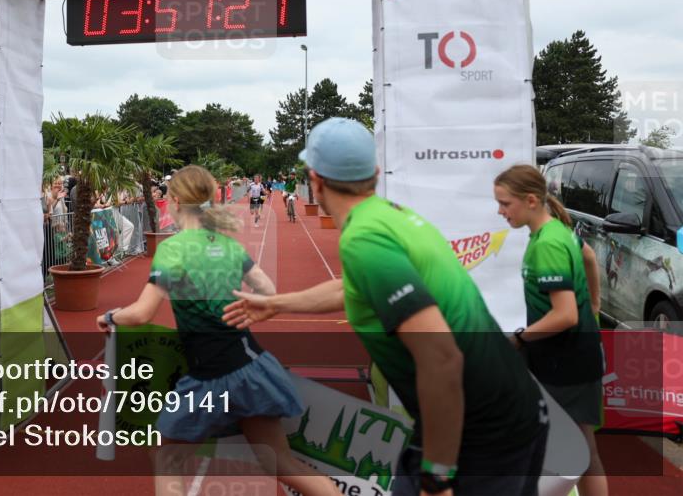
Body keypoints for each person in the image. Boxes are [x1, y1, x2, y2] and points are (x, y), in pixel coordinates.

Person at [224, 118, 549, 496]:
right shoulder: (393, 217)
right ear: (375, 174)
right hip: (510, 413)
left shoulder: (364, 239)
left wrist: (437, 477)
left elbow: (441, 357)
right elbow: (355, 289)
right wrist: (276, 304)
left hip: (480, 436)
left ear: (315, 180)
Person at [97, 166, 338, 496]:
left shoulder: (173, 248)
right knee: (281, 463)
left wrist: (111, 316)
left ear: (176, 201)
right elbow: (268, 292)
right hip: (252, 366)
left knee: (166, 457)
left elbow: (141, 313)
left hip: (210, 374)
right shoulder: (229, 246)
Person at [494, 165, 607, 496]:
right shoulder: (556, 231)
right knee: (580, 450)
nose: (500, 211)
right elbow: (588, 256)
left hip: (567, 363)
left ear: (531, 200)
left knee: (575, 452)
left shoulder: (548, 243)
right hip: (567, 357)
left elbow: (565, 315)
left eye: (505, 203)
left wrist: (518, 338)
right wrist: (595, 303)